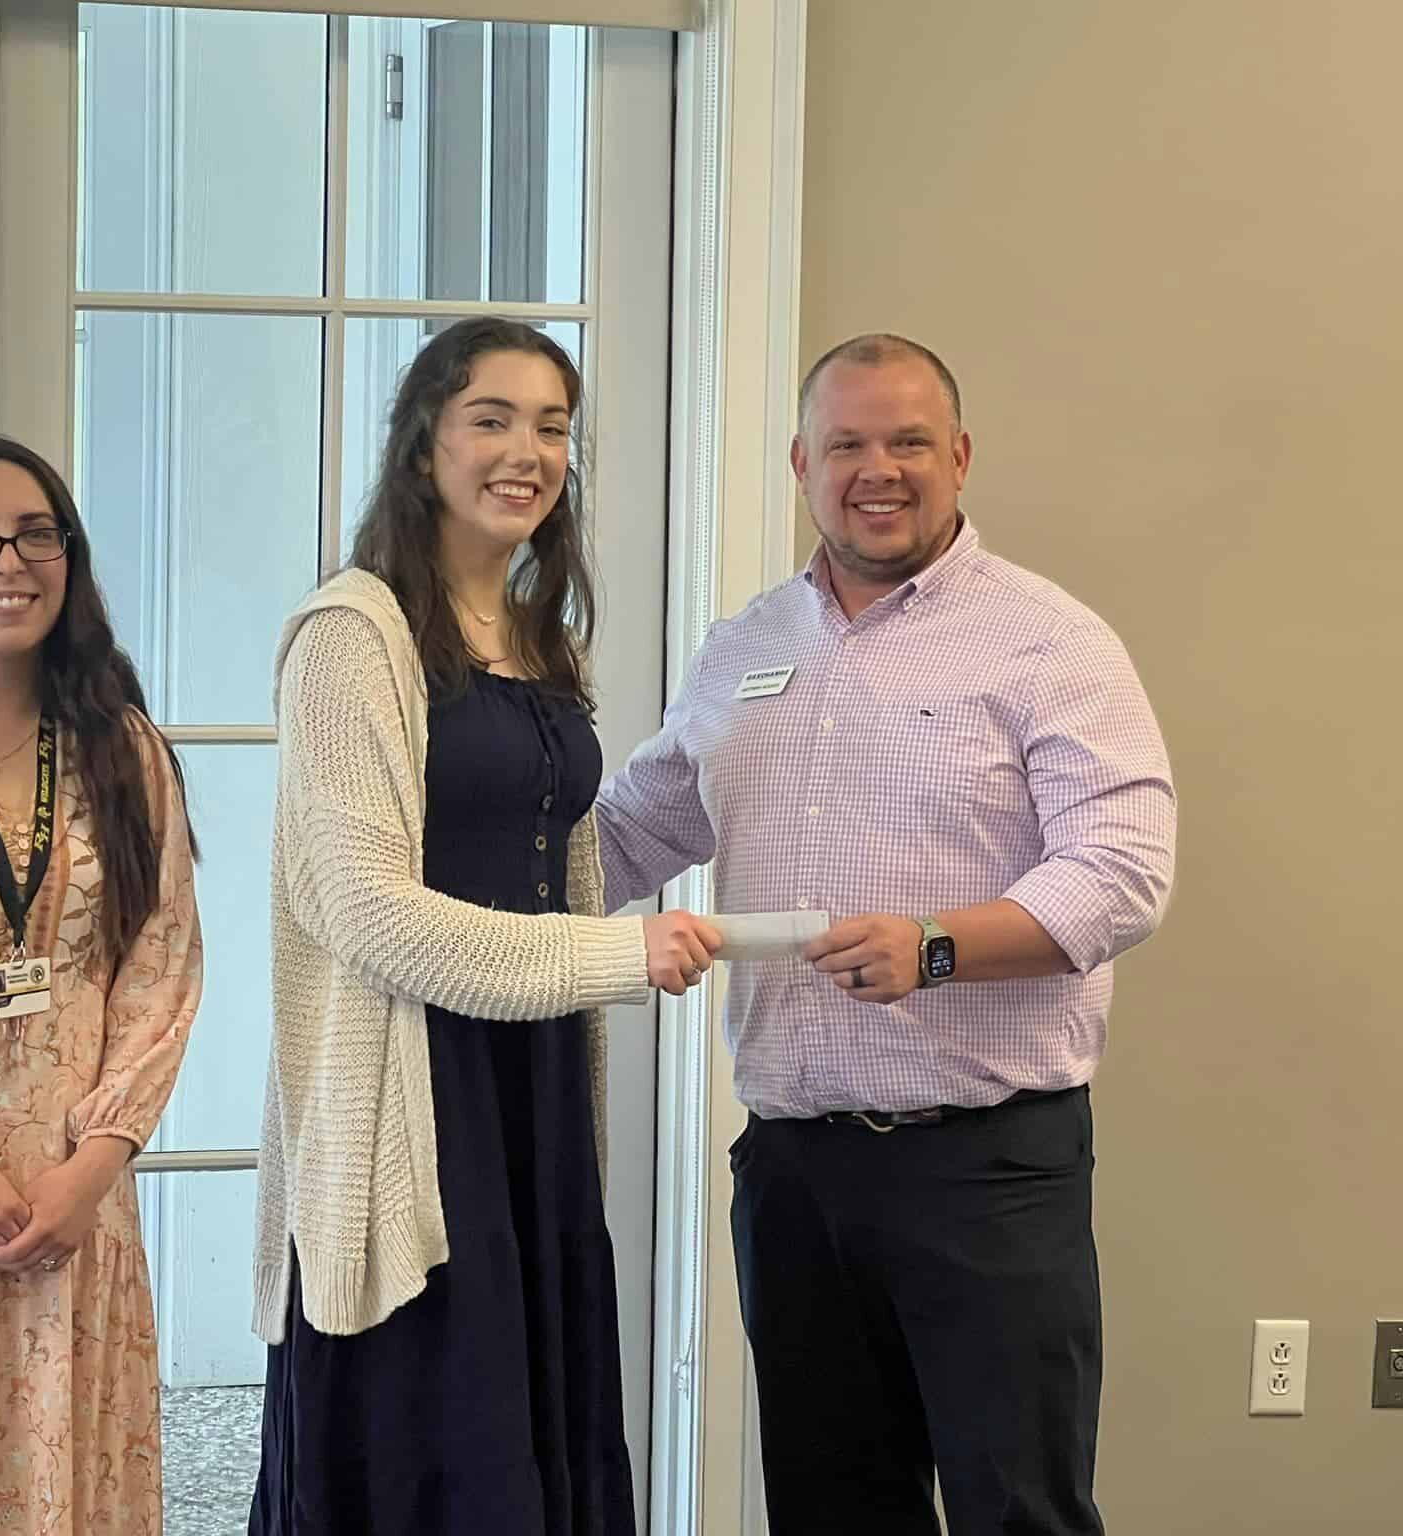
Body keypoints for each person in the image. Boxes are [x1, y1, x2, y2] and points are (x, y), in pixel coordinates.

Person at [596, 333, 1177, 1534]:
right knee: (831, 1507)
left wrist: (936, 947)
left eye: (909, 441)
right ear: (802, 463)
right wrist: (442, 892)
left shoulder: (1051, 642)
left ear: (958, 458)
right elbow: (636, 828)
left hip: (987, 1173)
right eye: (849, 443)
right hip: (796, 1171)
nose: (880, 469)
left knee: (1019, 1509)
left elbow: (1122, 872)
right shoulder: (745, 645)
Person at [247, 317, 721, 1536]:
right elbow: (369, 915)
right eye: (492, 420)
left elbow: (554, 866)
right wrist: (621, 955)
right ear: (423, 450)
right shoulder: (353, 637)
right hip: (414, 1098)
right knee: (431, 1456)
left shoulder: (538, 639)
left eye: (553, 427)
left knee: (533, 1445)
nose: (529, 452)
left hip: (534, 1087)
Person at [0, 435, 203, 1533]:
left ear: (70, 556)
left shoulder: (123, 747)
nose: (6, 561)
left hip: (74, 1194)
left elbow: (162, 962)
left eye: (36, 533)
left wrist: (95, 1163)